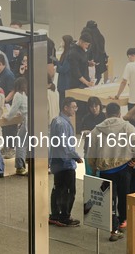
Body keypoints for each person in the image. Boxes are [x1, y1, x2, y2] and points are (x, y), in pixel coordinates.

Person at [86, 103, 135, 241]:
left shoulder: (97, 130)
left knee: (108, 199)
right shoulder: (128, 127)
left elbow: (91, 154)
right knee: (124, 196)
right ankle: (123, 220)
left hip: (106, 171)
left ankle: (114, 229)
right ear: (119, 113)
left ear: (106, 114)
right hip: (124, 169)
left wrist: (94, 168)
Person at [49, 97, 83, 227]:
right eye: (73, 107)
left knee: (57, 189)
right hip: (65, 163)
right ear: (65, 107)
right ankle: (64, 216)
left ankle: (55, 215)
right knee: (68, 191)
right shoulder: (63, 124)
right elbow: (65, 145)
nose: (75, 110)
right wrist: (75, 156)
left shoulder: (56, 121)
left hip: (57, 161)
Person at [0, 53, 16, 158]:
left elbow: (12, 91)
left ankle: (11, 148)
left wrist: (4, 101)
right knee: (4, 127)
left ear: (0, 63)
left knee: (10, 127)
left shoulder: (8, 75)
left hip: (8, 105)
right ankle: (5, 146)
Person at [7, 77, 28, 176]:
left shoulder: (18, 95)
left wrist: (6, 117)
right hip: (32, 120)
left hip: (27, 122)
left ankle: (20, 167)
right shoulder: (26, 94)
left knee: (20, 143)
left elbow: (12, 111)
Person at [79, 97, 106, 175]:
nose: (94, 109)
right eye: (91, 107)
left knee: (100, 173)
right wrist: (83, 133)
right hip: (88, 147)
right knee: (89, 172)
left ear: (100, 106)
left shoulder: (104, 117)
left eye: (96, 106)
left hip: (101, 149)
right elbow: (81, 131)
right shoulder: (86, 118)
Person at [55, 35, 74, 106]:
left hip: (65, 84)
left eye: (62, 41)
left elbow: (63, 69)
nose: (61, 42)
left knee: (63, 104)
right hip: (62, 83)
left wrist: (57, 62)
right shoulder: (65, 53)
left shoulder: (69, 54)